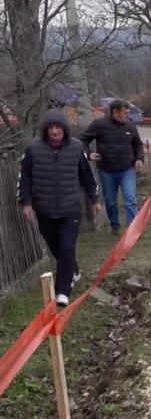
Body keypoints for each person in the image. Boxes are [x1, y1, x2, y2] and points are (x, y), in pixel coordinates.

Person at [17, 110, 102, 307]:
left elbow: (87, 176)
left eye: (58, 128)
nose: (55, 131)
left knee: (66, 245)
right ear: (45, 130)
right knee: (56, 247)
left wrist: (94, 198)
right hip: (44, 208)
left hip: (70, 207)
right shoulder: (33, 149)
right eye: (51, 128)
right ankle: (73, 270)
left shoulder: (76, 147)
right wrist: (26, 203)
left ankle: (63, 290)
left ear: (65, 129)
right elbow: (25, 178)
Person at [79, 99, 144, 235]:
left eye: (128, 113)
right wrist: (88, 153)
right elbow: (82, 139)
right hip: (107, 170)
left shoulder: (130, 126)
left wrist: (139, 158)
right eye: (125, 113)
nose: (127, 115)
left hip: (127, 168)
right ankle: (115, 225)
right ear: (115, 112)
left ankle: (132, 229)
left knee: (130, 198)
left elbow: (138, 144)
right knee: (110, 201)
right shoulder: (99, 125)